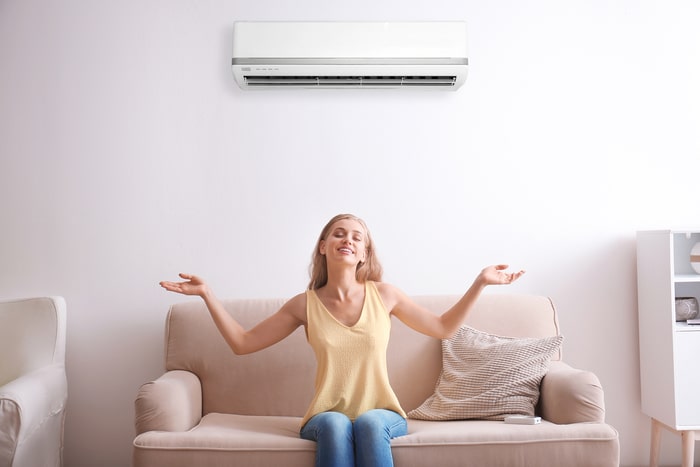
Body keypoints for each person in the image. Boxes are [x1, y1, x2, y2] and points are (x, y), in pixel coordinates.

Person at [160, 213, 525, 467]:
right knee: (336, 423)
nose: (347, 240)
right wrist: (208, 295)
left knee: (367, 423)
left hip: (383, 413)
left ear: (364, 253)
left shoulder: (385, 295)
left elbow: (443, 328)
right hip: (324, 414)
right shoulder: (304, 305)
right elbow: (242, 343)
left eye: (356, 236)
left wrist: (480, 283)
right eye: (338, 233)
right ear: (323, 246)